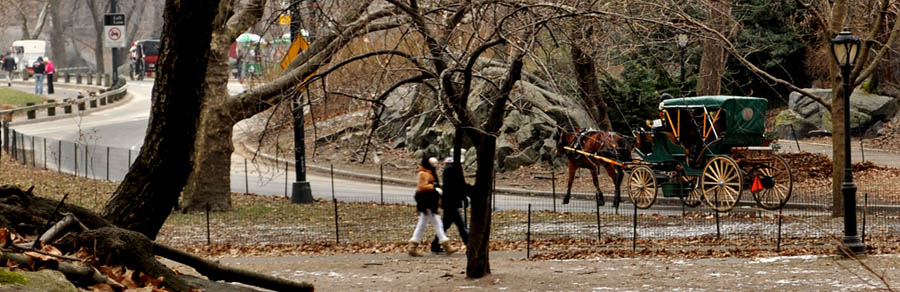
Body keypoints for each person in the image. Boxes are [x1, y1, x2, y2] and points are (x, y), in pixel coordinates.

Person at [407, 155, 458, 257]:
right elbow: (421, 187)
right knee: (438, 223)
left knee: (422, 224)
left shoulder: (429, 173)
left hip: (429, 202)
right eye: (433, 164)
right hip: (427, 202)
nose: (435, 166)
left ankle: (412, 246)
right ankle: (446, 245)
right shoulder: (424, 174)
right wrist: (434, 187)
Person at [430, 149, 470, 253]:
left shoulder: (450, 168)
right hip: (451, 202)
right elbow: (457, 185)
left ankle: (435, 245)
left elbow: (458, 185)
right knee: (461, 226)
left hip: (449, 201)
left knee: (446, 225)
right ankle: (470, 245)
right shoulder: (452, 169)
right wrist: (464, 197)